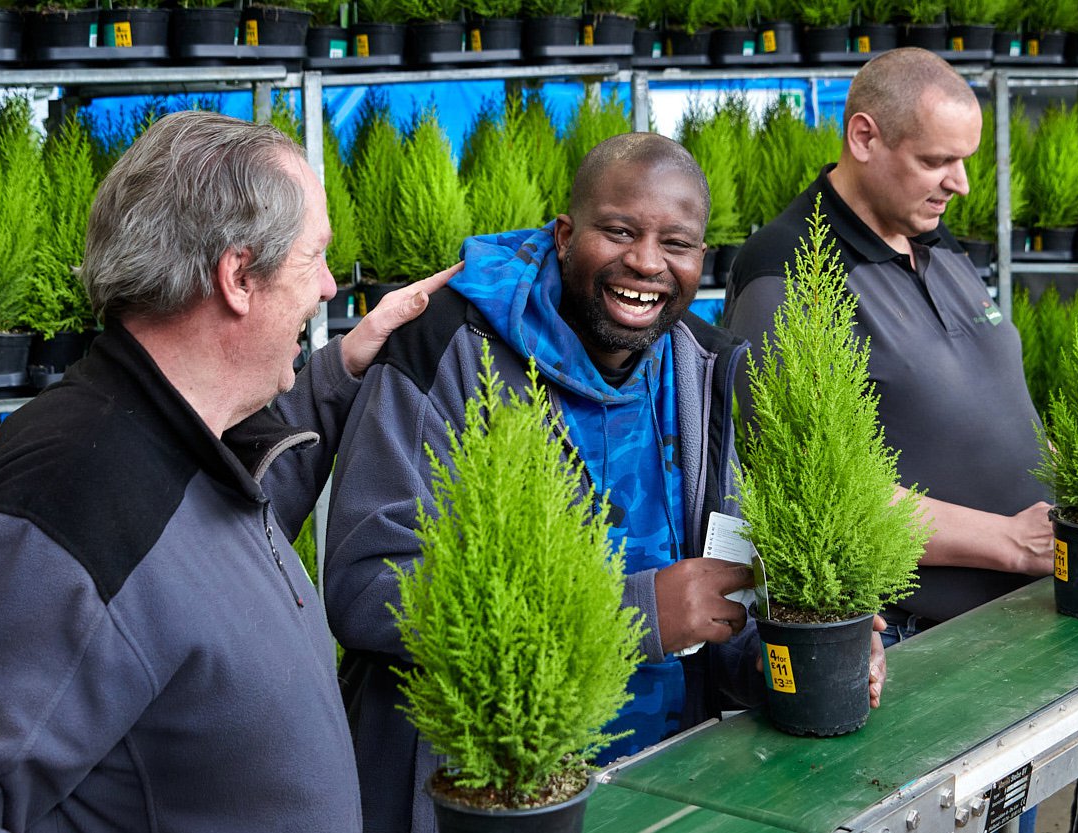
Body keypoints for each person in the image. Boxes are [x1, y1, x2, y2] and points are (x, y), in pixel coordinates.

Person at [0, 111, 454, 832]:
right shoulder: (68, 496)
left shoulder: (177, 439)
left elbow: (186, 557)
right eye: (315, 258)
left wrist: (339, 371)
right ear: (239, 275)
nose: (330, 288)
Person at [324, 133, 888, 833]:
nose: (646, 263)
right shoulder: (448, 346)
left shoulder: (705, 369)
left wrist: (792, 654)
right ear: (565, 235)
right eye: (619, 230)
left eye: (675, 243)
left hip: (671, 783)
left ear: (701, 260)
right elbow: (365, 587)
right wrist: (637, 612)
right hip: (494, 792)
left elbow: (723, 590)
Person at [724, 47, 1057, 648]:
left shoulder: (929, 233)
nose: (961, 183)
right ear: (863, 137)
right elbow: (822, 491)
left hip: (1024, 611)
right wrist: (1010, 542)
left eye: (964, 160)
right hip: (916, 640)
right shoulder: (788, 270)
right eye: (936, 160)